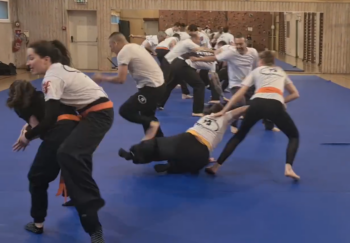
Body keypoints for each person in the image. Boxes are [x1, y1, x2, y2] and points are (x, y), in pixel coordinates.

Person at [18, 40, 114, 243]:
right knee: (74, 157)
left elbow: (50, 119)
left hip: (97, 115)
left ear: (46, 59)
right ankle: (85, 208)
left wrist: (27, 136)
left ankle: (90, 201)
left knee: (67, 154)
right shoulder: (61, 69)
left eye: (31, 58)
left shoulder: (51, 77)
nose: (28, 63)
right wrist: (27, 130)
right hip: (93, 114)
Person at [206, 50, 300, 180]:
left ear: (260, 62)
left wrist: (224, 110)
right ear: (273, 62)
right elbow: (295, 94)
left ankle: (216, 166)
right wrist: (281, 101)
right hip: (275, 106)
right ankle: (288, 168)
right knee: (293, 136)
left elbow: (240, 93)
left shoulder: (256, 71)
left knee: (239, 136)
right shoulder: (280, 71)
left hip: (257, 103)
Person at [8, 79, 79, 234]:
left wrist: (26, 137)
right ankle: (78, 199)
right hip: (80, 132)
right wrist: (26, 133)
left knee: (36, 178)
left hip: (59, 134)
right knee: (71, 165)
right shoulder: (46, 95)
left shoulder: (22, 106)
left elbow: (37, 127)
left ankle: (37, 223)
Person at [119, 103, 248, 174]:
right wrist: (257, 104)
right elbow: (242, 109)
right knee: (197, 166)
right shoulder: (225, 117)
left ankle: (132, 154)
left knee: (157, 146)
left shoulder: (204, 117)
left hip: (186, 138)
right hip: (201, 150)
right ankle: (173, 166)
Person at [191, 33, 278, 133]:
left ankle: (268, 125)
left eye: (241, 44)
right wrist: (198, 59)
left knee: (264, 101)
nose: (239, 46)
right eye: (237, 44)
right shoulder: (230, 53)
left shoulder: (253, 52)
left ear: (246, 42)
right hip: (235, 84)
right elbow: (215, 58)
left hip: (249, 83)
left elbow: (258, 64)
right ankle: (233, 124)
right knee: (240, 103)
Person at [93, 32, 165, 140]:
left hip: (152, 89)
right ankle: (158, 143)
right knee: (147, 115)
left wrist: (102, 78)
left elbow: (121, 79)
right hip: (159, 86)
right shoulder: (135, 46)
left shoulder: (124, 52)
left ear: (115, 43)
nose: (111, 49)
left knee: (126, 110)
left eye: (111, 46)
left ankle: (153, 127)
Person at [158, 32, 213, 115]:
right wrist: (215, 51)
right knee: (199, 85)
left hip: (175, 62)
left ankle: (158, 104)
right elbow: (201, 50)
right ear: (194, 39)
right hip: (172, 62)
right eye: (198, 39)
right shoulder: (189, 42)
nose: (199, 41)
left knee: (170, 84)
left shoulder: (187, 42)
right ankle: (197, 111)